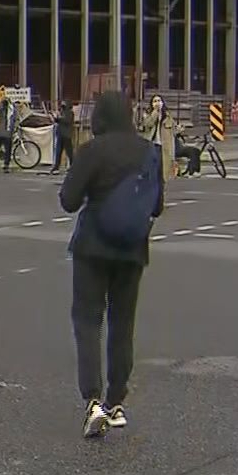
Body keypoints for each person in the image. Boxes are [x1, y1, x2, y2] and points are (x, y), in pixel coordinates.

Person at [59, 91, 162, 438]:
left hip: (92, 247)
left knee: (88, 321)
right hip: (132, 249)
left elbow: (68, 201)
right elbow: (157, 205)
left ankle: (92, 400)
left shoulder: (92, 150)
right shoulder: (149, 151)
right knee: (122, 323)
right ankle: (117, 402)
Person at [0, 92, 21, 172]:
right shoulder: (2, 109)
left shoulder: (13, 110)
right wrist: (1, 104)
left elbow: (16, 119)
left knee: (7, 149)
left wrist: (15, 129)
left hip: (8, 132)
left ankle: (6, 164)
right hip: (1, 132)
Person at [49, 97, 76, 174]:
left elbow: (66, 120)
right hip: (60, 134)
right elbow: (58, 120)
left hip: (66, 135)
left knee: (69, 152)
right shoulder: (62, 112)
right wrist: (54, 117)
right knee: (58, 151)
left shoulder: (70, 113)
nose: (62, 106)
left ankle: (72, 166)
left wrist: (58, 118)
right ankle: (56, 166)